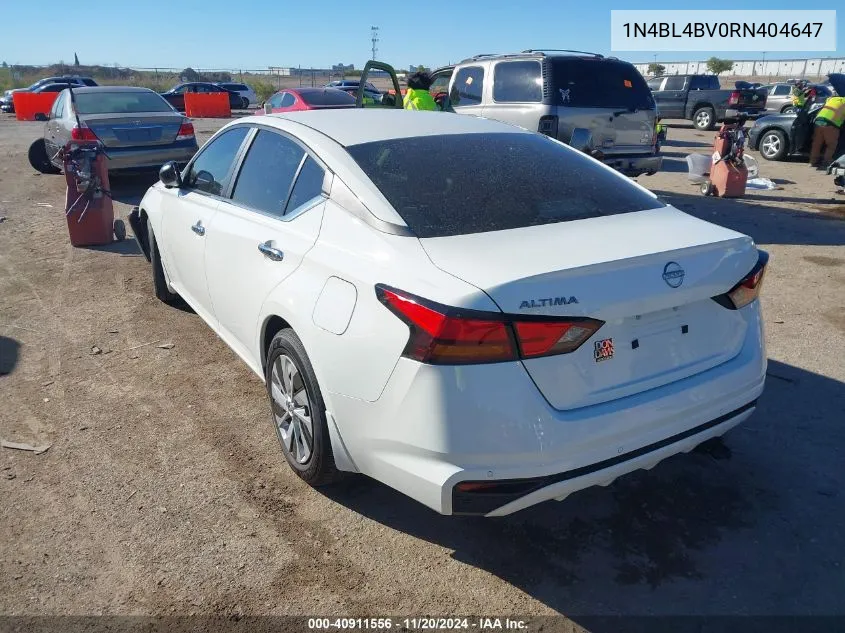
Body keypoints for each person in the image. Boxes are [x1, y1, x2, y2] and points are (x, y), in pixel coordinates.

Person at [809, 94, 845, 168]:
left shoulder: (831, 99)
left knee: (817, 143)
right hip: (831, 124)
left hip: (818, 121)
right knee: (831, 145)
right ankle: (827, 161)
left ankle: (813, 162)